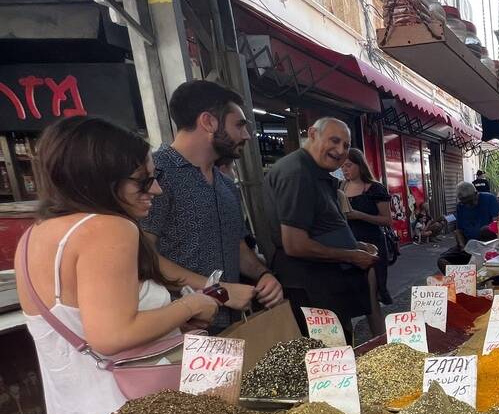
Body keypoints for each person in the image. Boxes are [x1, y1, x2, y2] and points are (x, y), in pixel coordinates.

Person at [16, 117, 220, 414]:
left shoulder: (34, 235)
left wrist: (167, 320)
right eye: (143, 180)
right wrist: (192, 305)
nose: (156, 189)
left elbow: (84, 321)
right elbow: (111, 335)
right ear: (99, 178)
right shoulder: (109, 229)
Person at [143, 80, 284, 331]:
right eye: (239, 125)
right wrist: (218, 289)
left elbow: (237, 247)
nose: (247, 135)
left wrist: (263, 275)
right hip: (179, 333)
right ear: (208, 122)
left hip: (232, 327)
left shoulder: (226, 184)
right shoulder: (156, 175)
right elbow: (142, 255)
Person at [265, 118, 380, 339]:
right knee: (330, 359)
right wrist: (351, 256)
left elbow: (320, 229)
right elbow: (295, 244)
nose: (340, 150)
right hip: (311, 288)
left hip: (326, 285)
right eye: (334, 141)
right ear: (313, 134)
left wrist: (356, 246)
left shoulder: (313, 171)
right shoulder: (297, 173)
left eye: (346, 146)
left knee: (339, 350)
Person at [341, 147, 393, 306]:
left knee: (372, 295)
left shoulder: (375, 188)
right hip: (349, 245)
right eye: (342, 166)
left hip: (373, 244)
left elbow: (387, 220)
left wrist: (360, 215)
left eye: (348, 165)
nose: (344, 169)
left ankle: (378, 329)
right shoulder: (341, 187)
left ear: (360, 165)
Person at [438, 181, 499, 272]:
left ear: (475, 193)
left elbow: (497, 223)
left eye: (469, 201)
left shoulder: (490, 199)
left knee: (484, 230)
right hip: (468, 245)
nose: (467, 205)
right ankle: (458, 279)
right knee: (442, 261)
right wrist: (462, 246)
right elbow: (458, 230)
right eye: (464, 202)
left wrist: (486, 232)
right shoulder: (461, 206)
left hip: (487, 244)